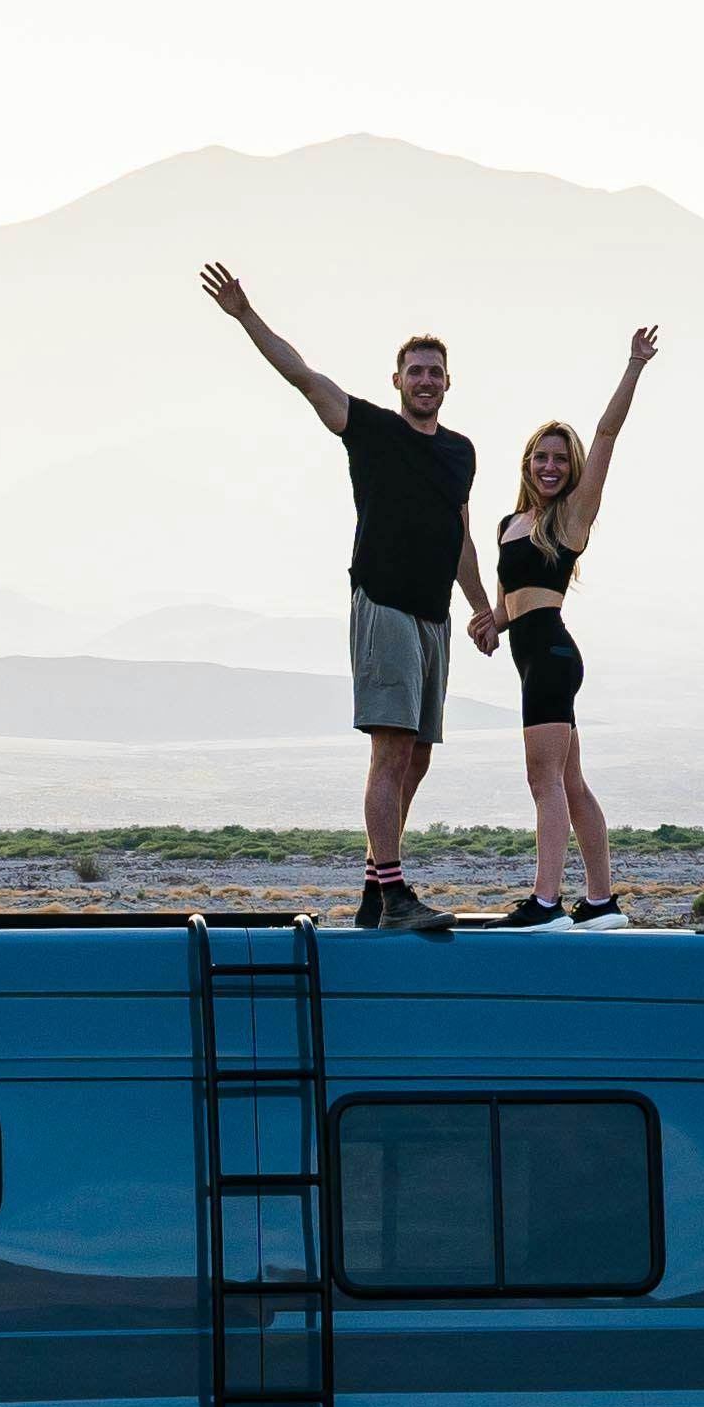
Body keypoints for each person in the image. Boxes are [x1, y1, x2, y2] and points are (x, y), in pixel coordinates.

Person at [199, 263, 491, 930]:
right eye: (414, 370)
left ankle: (372, 891)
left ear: (448, 383)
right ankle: (393, 895)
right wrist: (246, 314)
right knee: (390, 752)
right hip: (384, 605)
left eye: (434, 371)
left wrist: (478, 607)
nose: (424, 380)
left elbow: (461, 536)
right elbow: (301, 374)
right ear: (397, 380)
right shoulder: (369, 428)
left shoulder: (460, 453)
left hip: (433, 619)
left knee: (417, 758)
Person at [474, 326, 658, 924]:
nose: (550, 465)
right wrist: (490, 623)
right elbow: (509, 602)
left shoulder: (573, 517)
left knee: (543, 778)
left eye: (560, 458)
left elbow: (606, 433)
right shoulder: (508, 523)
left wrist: (632, 365)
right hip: (530, 656)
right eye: (541, 456)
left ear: (571, 467)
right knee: (571, 783)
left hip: (552, 655)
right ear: (527, 463)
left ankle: (546, 902)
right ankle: (602, 901)